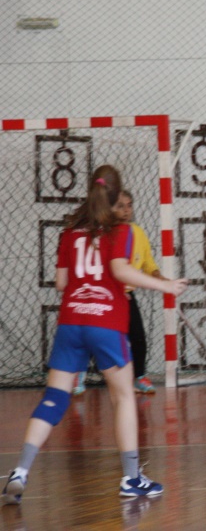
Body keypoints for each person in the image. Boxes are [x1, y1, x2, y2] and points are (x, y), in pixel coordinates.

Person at [1, 165, 188, 506]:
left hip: (71, 322)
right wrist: (166, 286)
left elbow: (61, 283)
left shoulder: (70, 232)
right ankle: (132, 479)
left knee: (54, 398)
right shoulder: (122, 230)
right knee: (124, 397)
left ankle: (21, 470)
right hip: (106, 324)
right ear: (117, 198)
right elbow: (120, 269)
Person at [73, 190, 163, 395]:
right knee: (94, 336)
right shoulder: (102, 233)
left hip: (126, 296)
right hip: (104, 296)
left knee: (137, 336)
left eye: (129, 205)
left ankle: (139, 376)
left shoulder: (137, 233)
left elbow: (148, 263)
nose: (126, 210)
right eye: (120, 206)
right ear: (109, 208)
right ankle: (79, 373)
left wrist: (159, 276)